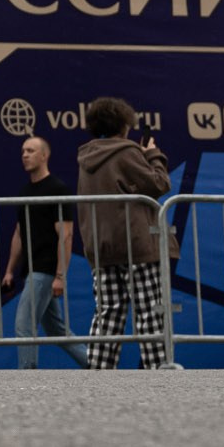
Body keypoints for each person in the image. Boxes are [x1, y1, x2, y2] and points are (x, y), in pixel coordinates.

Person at [76, 96, 173, 369]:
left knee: (107, 315)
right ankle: (160, 373)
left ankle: (99, 373)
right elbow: (159, 184)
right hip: (135, 246)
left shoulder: (86, 158)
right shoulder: (127, 152)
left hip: (101, 248)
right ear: (123, 124)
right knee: (149, 313)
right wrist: (152, 154)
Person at [1, 134, 87, 368]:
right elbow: (19, 233)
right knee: (56, 329)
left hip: (45, 269)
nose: (25, 155)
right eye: (23, 151)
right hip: (31, 269)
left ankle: (28, 377)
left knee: (24, 325)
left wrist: (60, 275)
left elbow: (66, 235)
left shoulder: (58, 189)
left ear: (44, 155)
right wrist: (9, 270)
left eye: (30, 151)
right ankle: (94, 363)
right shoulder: (25, 192)